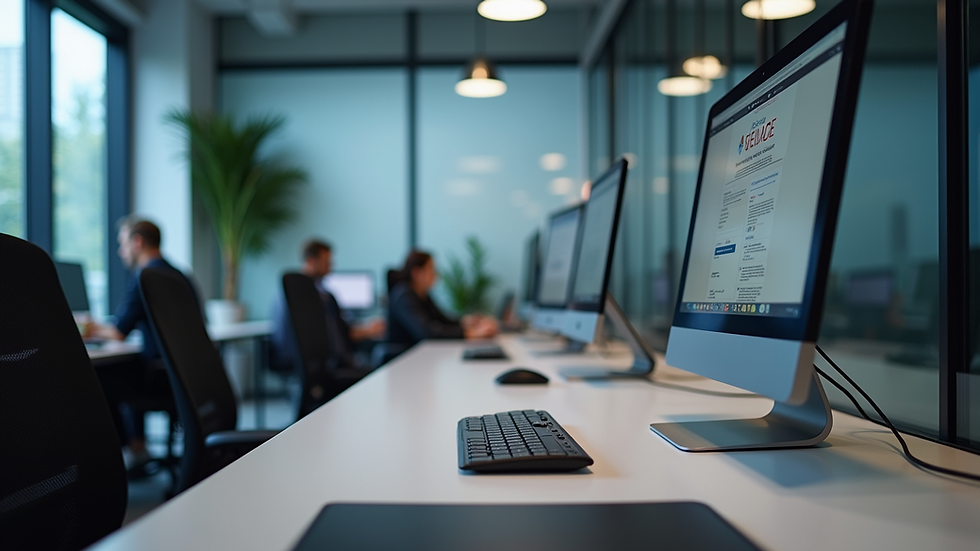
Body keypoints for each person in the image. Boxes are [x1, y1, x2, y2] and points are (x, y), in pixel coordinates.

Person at [86, 217, 194, 474]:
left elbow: (118, 332)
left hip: (158, 377)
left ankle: (130, 451)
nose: (120, 251)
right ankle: (138, 445)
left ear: (137, 242)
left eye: (122, 244)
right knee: (130, 366)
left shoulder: (144, 277)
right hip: (183, 375)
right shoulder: (179, 275)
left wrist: (89, 327)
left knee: (98, 376)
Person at [271, 239, 386, 371]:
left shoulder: (288, 291)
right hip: (319, 362)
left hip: (296, 357)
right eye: (326, 262)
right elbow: (339, 335)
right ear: (311, 261)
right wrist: (368, 331)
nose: (331, 266)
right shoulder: (316, 296)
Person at [387, 250, 498, 348]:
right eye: (432, 270)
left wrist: (469, 322)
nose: (436, 275)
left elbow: (443, 320)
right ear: (416, 273)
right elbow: (427, 332)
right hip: (403, 356)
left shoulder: (422, 294)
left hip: (421, 352)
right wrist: (470, 334)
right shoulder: (404, 297)